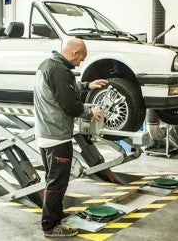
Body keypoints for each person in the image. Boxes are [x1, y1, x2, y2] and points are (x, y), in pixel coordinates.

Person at [34, 38, 107, 238]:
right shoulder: (59, 70)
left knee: (52, 180)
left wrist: (87, 85)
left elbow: (66, 87)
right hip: (57, 136)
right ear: (74, 53)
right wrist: (90, 113)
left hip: (45, 133)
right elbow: (70, 104)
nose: (80, 63)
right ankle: (50, 226)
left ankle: (53, 216)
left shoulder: (49, 64)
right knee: (57, 183)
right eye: (81, 59)